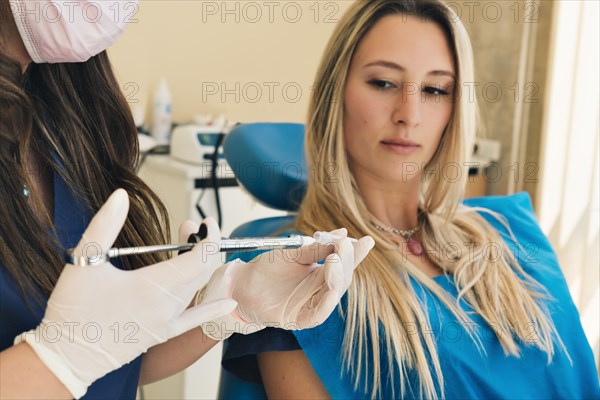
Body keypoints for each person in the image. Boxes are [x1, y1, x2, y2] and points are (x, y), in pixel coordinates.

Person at [221, 0, 600, 398]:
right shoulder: (291, 276)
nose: (410, 113)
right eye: (383, 83)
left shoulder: (509, 228)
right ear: (337, 94)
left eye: (436, 89)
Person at [0, 0, 374, 398]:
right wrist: (61, 358)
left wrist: (226, 307)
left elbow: (118, 366)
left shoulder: (63, 116)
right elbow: (80, 359)